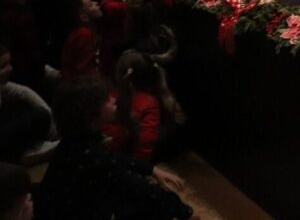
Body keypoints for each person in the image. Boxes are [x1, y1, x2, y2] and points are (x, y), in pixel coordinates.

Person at [35, 76, 192, 220]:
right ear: (91, 115)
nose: (113, 100)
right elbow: (142, 190)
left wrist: (152, 169)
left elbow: (115, 160)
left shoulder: (74, 142)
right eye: (107, 99)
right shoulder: (94, 158)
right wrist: (185, 212)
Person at [0, 45, 57, 166]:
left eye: (9, 63)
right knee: (38, 115)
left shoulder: (3, 86)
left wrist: (53, 128)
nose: (10, 69)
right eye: (2, 66)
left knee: (31, 108)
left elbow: (24, 92)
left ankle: (28, 150)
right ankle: (21, 156)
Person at [60, 0, 101, 80]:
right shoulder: (83, 34)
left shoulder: (85, 32)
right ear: (84, 17)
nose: (96, 3)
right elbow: (83, 68)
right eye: (91, 5)